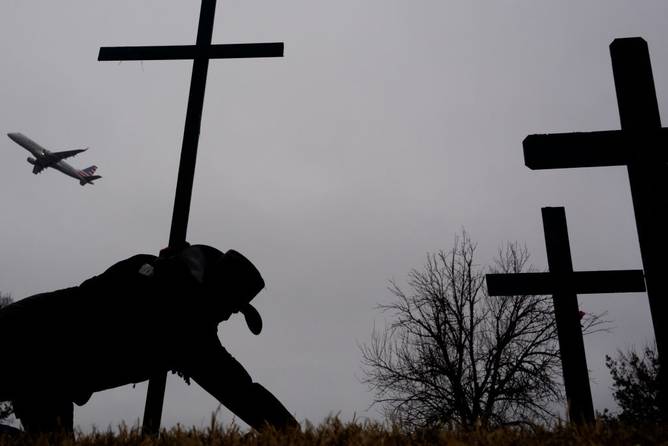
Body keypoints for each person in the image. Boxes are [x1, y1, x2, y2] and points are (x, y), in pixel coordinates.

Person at [0, 244, 299, 433]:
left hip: (48, 372)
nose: (227, 317)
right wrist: (292, 434)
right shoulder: (182, 321)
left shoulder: (173, 295)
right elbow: (237, 390)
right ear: (216, 293)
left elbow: (239, 388)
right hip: (24, 342)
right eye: (230, 308)